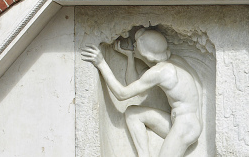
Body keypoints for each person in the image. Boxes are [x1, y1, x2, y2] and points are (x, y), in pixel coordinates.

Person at [81, 29, 205, 157]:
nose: (133, 45)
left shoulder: (161, 72)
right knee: (132, 114)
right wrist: (130, 57)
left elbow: (122, 94)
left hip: (186, 127)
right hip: (181, 123)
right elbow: (134, 84)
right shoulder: (172, 62)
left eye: (136, 45)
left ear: (147, 55)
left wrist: (101, 63)